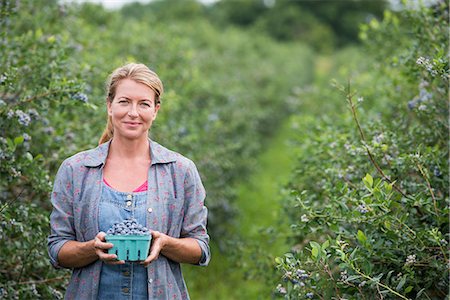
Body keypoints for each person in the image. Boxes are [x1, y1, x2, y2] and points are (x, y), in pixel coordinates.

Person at [47, 63, 210, 299]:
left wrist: (165, 243)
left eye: (143, 104)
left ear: (155, 110)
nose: (133, 112)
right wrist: (91, 248)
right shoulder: (76, 170)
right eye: (124, 101)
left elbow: (201, 249)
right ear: (109, 106)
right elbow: (57, 249)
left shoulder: (180, 171)